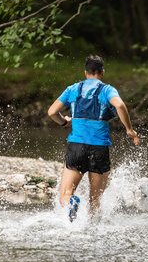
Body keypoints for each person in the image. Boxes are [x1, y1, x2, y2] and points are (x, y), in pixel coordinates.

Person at [48, 55, 140, 222]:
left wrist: (64, 122)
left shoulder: (73, 89)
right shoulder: (107, 90)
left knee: (65, 195)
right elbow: (119, 105)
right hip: (99, 149)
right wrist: (129, 129)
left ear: (85, 72)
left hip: (76, 147)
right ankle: (92, 231)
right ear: (102, 72)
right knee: (95, 201)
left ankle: (72, 203)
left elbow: (52, 112)